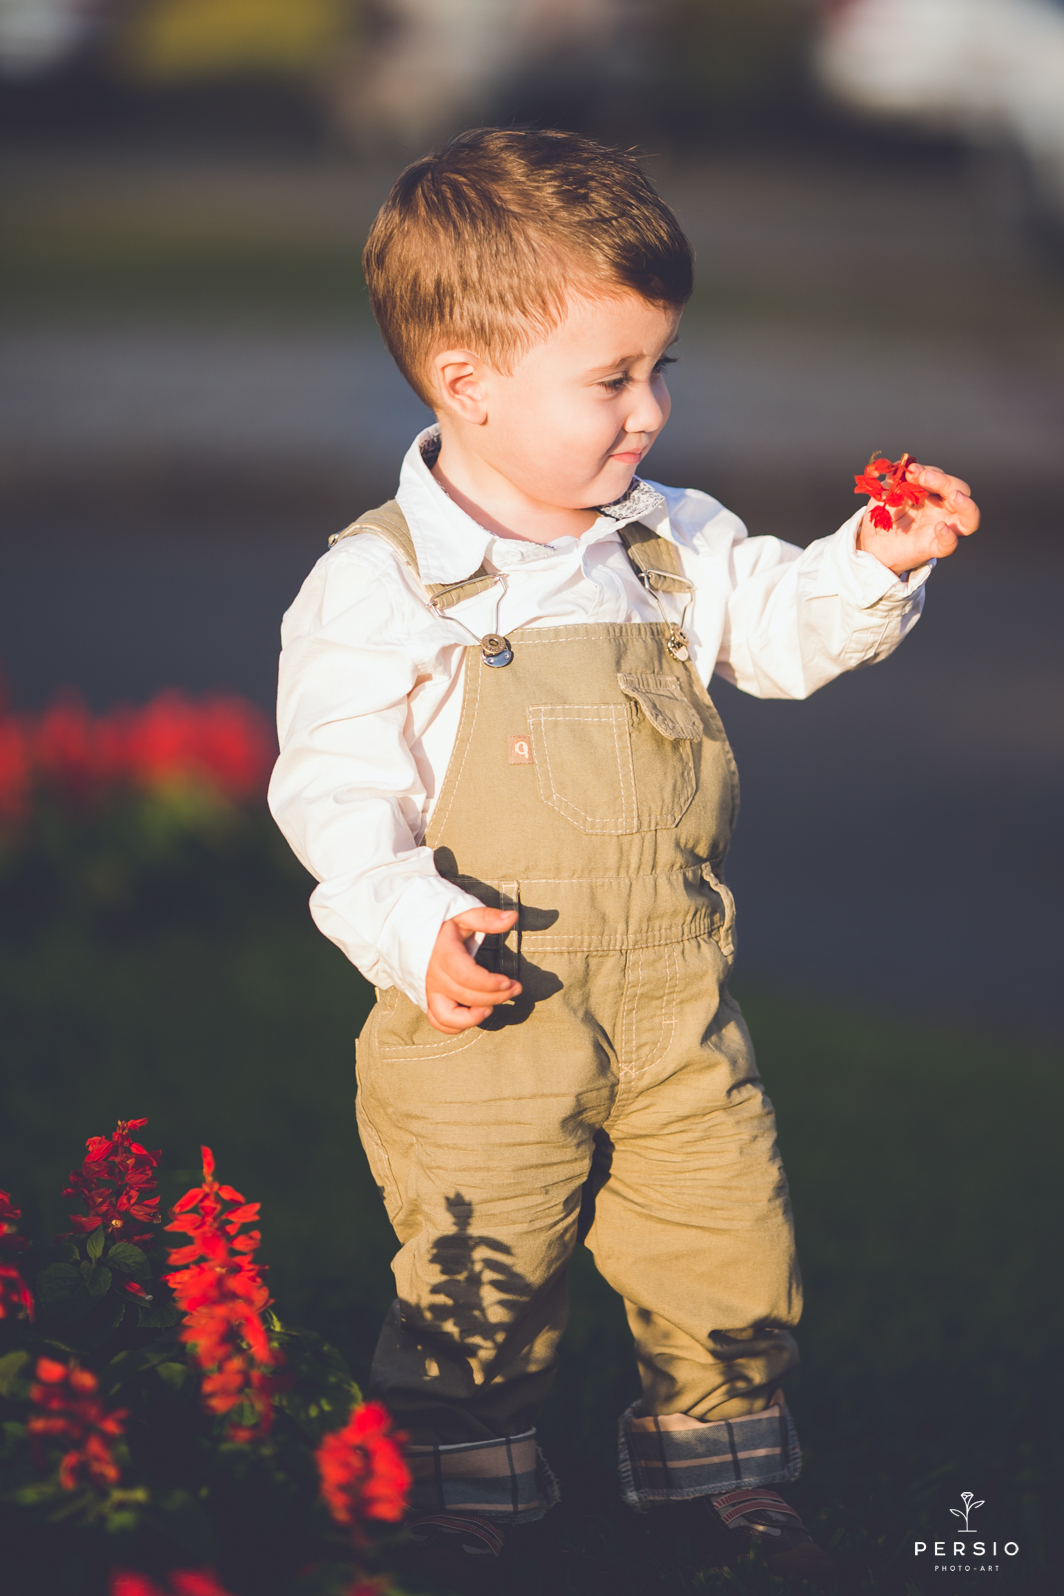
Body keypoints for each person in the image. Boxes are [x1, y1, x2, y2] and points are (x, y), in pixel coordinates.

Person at [268, 127, 978, 1587]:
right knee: (482, 1264)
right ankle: (468, 1484)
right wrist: (413, 926)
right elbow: (334, 796)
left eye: (662, 369)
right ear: (468, 384)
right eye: (613, 379)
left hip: (674, 999)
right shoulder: (383, 584)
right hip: (488, 1012)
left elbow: (777, 632)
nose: (652, 410)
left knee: (723, 1241)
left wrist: (870, 560)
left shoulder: (668, 543)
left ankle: (720, 1471)